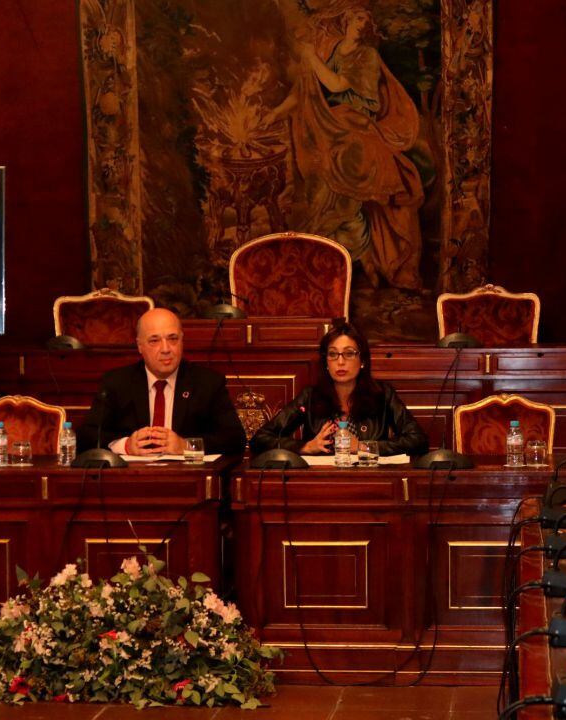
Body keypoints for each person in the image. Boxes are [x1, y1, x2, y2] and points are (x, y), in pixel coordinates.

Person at [262, 0, 424, 290]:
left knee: (344, 196)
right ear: (345, 22)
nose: (361, 25)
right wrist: (275, 113)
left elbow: (336, 86)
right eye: (357, 20)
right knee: (322, 191)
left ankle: (360, 263)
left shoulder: (368, 55)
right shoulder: (333, 51)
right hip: (331, 127)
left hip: (356, 127)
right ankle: (333, 266)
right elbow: (306, 93)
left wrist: (311, 57)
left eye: (365, 21)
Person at [78, 308, 247, 456]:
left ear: (182, 341)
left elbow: (235, 439)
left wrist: (186, 445)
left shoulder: (207, 383)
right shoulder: (117, 383)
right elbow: (87, 435)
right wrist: (126, 445)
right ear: (139, 346)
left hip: (189, 482)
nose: (166, 349)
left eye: (173, 339)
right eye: (154, 340)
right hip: (133, 480)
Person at [250, 319, 427, 457]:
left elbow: (418, 441)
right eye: (333, 354)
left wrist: (364, 447)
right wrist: (305, 447)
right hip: (322, 482)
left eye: (349, 354)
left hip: (370, 481)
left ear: (363, 360)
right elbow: (260, 440)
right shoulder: (311, 396)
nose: (340, 362)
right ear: (326, 362)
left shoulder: (383, 394)